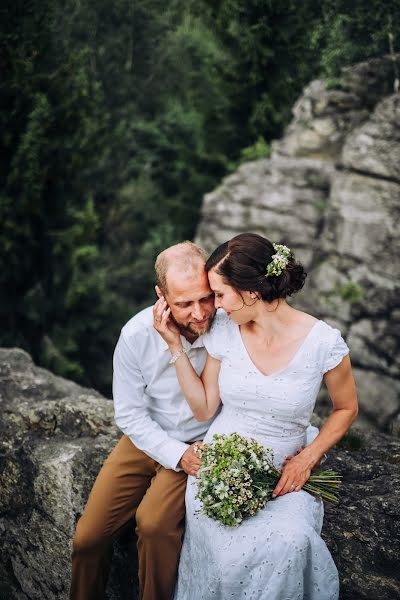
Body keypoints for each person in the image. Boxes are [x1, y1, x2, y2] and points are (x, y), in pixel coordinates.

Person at [153, 232, 358, 600]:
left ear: (250, 292)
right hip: (219, 468)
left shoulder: (324, 342)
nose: (214, 305)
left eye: (219, 294)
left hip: (287, 472)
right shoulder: (225, 331)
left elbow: (346, 408)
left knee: (292, 542)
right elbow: (204, 408)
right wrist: (174, 346)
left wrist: (307, 460)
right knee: (227, 550)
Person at [70, 241, 217, 600]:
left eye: (205, 298)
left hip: (200, 444)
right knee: (87, 539)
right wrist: (174, 452)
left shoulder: (227, 328)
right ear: (161, 296)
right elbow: (130, 414)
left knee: (153, 526)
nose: (199, 313)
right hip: (145, 439)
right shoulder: (136, 335)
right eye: (184, 303)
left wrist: (191, 454)